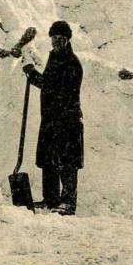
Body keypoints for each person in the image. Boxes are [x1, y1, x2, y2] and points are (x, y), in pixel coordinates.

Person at [22, 21, 84, 216]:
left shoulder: (71, 62)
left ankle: (68, 202)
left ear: (68, 39)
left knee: (67, 161)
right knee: (48, 159)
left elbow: (54, 88)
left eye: (61, 38)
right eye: (54, 38)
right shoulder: (54, 58)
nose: (57, 42)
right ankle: (50, 199)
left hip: (67, 119)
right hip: (50, 118)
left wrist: (32, 74)